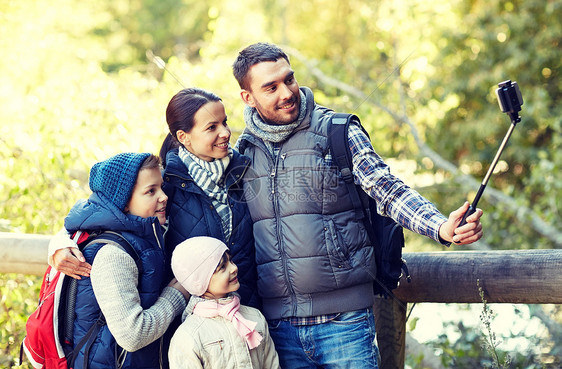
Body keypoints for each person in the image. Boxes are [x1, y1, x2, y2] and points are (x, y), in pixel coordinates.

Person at [232, 42, 484, 368]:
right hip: (278, 330)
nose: (287, 92)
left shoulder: (336, 131)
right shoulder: (243, 152)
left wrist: (439, 226)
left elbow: (388, 190)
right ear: (248, 98)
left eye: (289, 79)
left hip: (345, 323)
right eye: (271, 87)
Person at [60, 152, 189, 369]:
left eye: (160, 187)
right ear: (124, 202)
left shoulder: (147, 234)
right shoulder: (114, 255)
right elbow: (133, 335)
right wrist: (176, 296)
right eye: (150, 191)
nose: (164, 196)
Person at [168, 236, 279, 369]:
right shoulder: (188, 335)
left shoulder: (255, 317)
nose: (233, 268)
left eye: (231, 260)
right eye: (222, 267)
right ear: (200, 281)